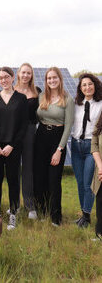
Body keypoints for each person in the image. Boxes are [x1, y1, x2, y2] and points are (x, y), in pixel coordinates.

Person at [0, 66, 28, 230]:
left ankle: (13, 213)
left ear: (12, 78)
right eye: (0, 77)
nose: (3, 80)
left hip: (13, 147)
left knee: (13, 180)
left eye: (6, 77)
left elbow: (24, 125)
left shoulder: (21, 99)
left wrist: (12, 145)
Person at [33, 67, 74, 226]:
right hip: (41, 136)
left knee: (54, 180)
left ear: (59, 79)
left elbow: (68, 126)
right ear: (46, 80)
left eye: (54, 78)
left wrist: (59, 150)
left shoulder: (67, 99)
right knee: (40, 177)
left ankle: (56, 217)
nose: (51, 81)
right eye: (49, 78)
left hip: (58, 138)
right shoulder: (42, 96)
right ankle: (41, 211)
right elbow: (36, 117)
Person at [71, 73, 102, 228]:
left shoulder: (101, 104)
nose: (87, 87)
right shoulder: (76, 104)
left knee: (88, 183)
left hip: (91, 147)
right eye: (84, 85)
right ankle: (84, 215)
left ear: (95, 85)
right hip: (76, 146)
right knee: (79, 182)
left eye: (90, 84)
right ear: (80, 88)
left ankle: (87, 216)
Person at [14, 63, 40, 220]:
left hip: (31, 132)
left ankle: (30, 206)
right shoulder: (11, 91)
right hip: (14, 133)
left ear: (31, 75)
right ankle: (14, 205)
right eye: (23, 72)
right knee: (14, 169)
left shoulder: (38, 92)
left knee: (28, 170)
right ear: (18, 74)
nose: (25, 75)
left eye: (28, 73)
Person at [91, 114, 102, 241]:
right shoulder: (100, 122)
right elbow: (94, 144)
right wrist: (100, 166)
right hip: (100, 171)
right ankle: (99, 234)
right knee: (100, 202)